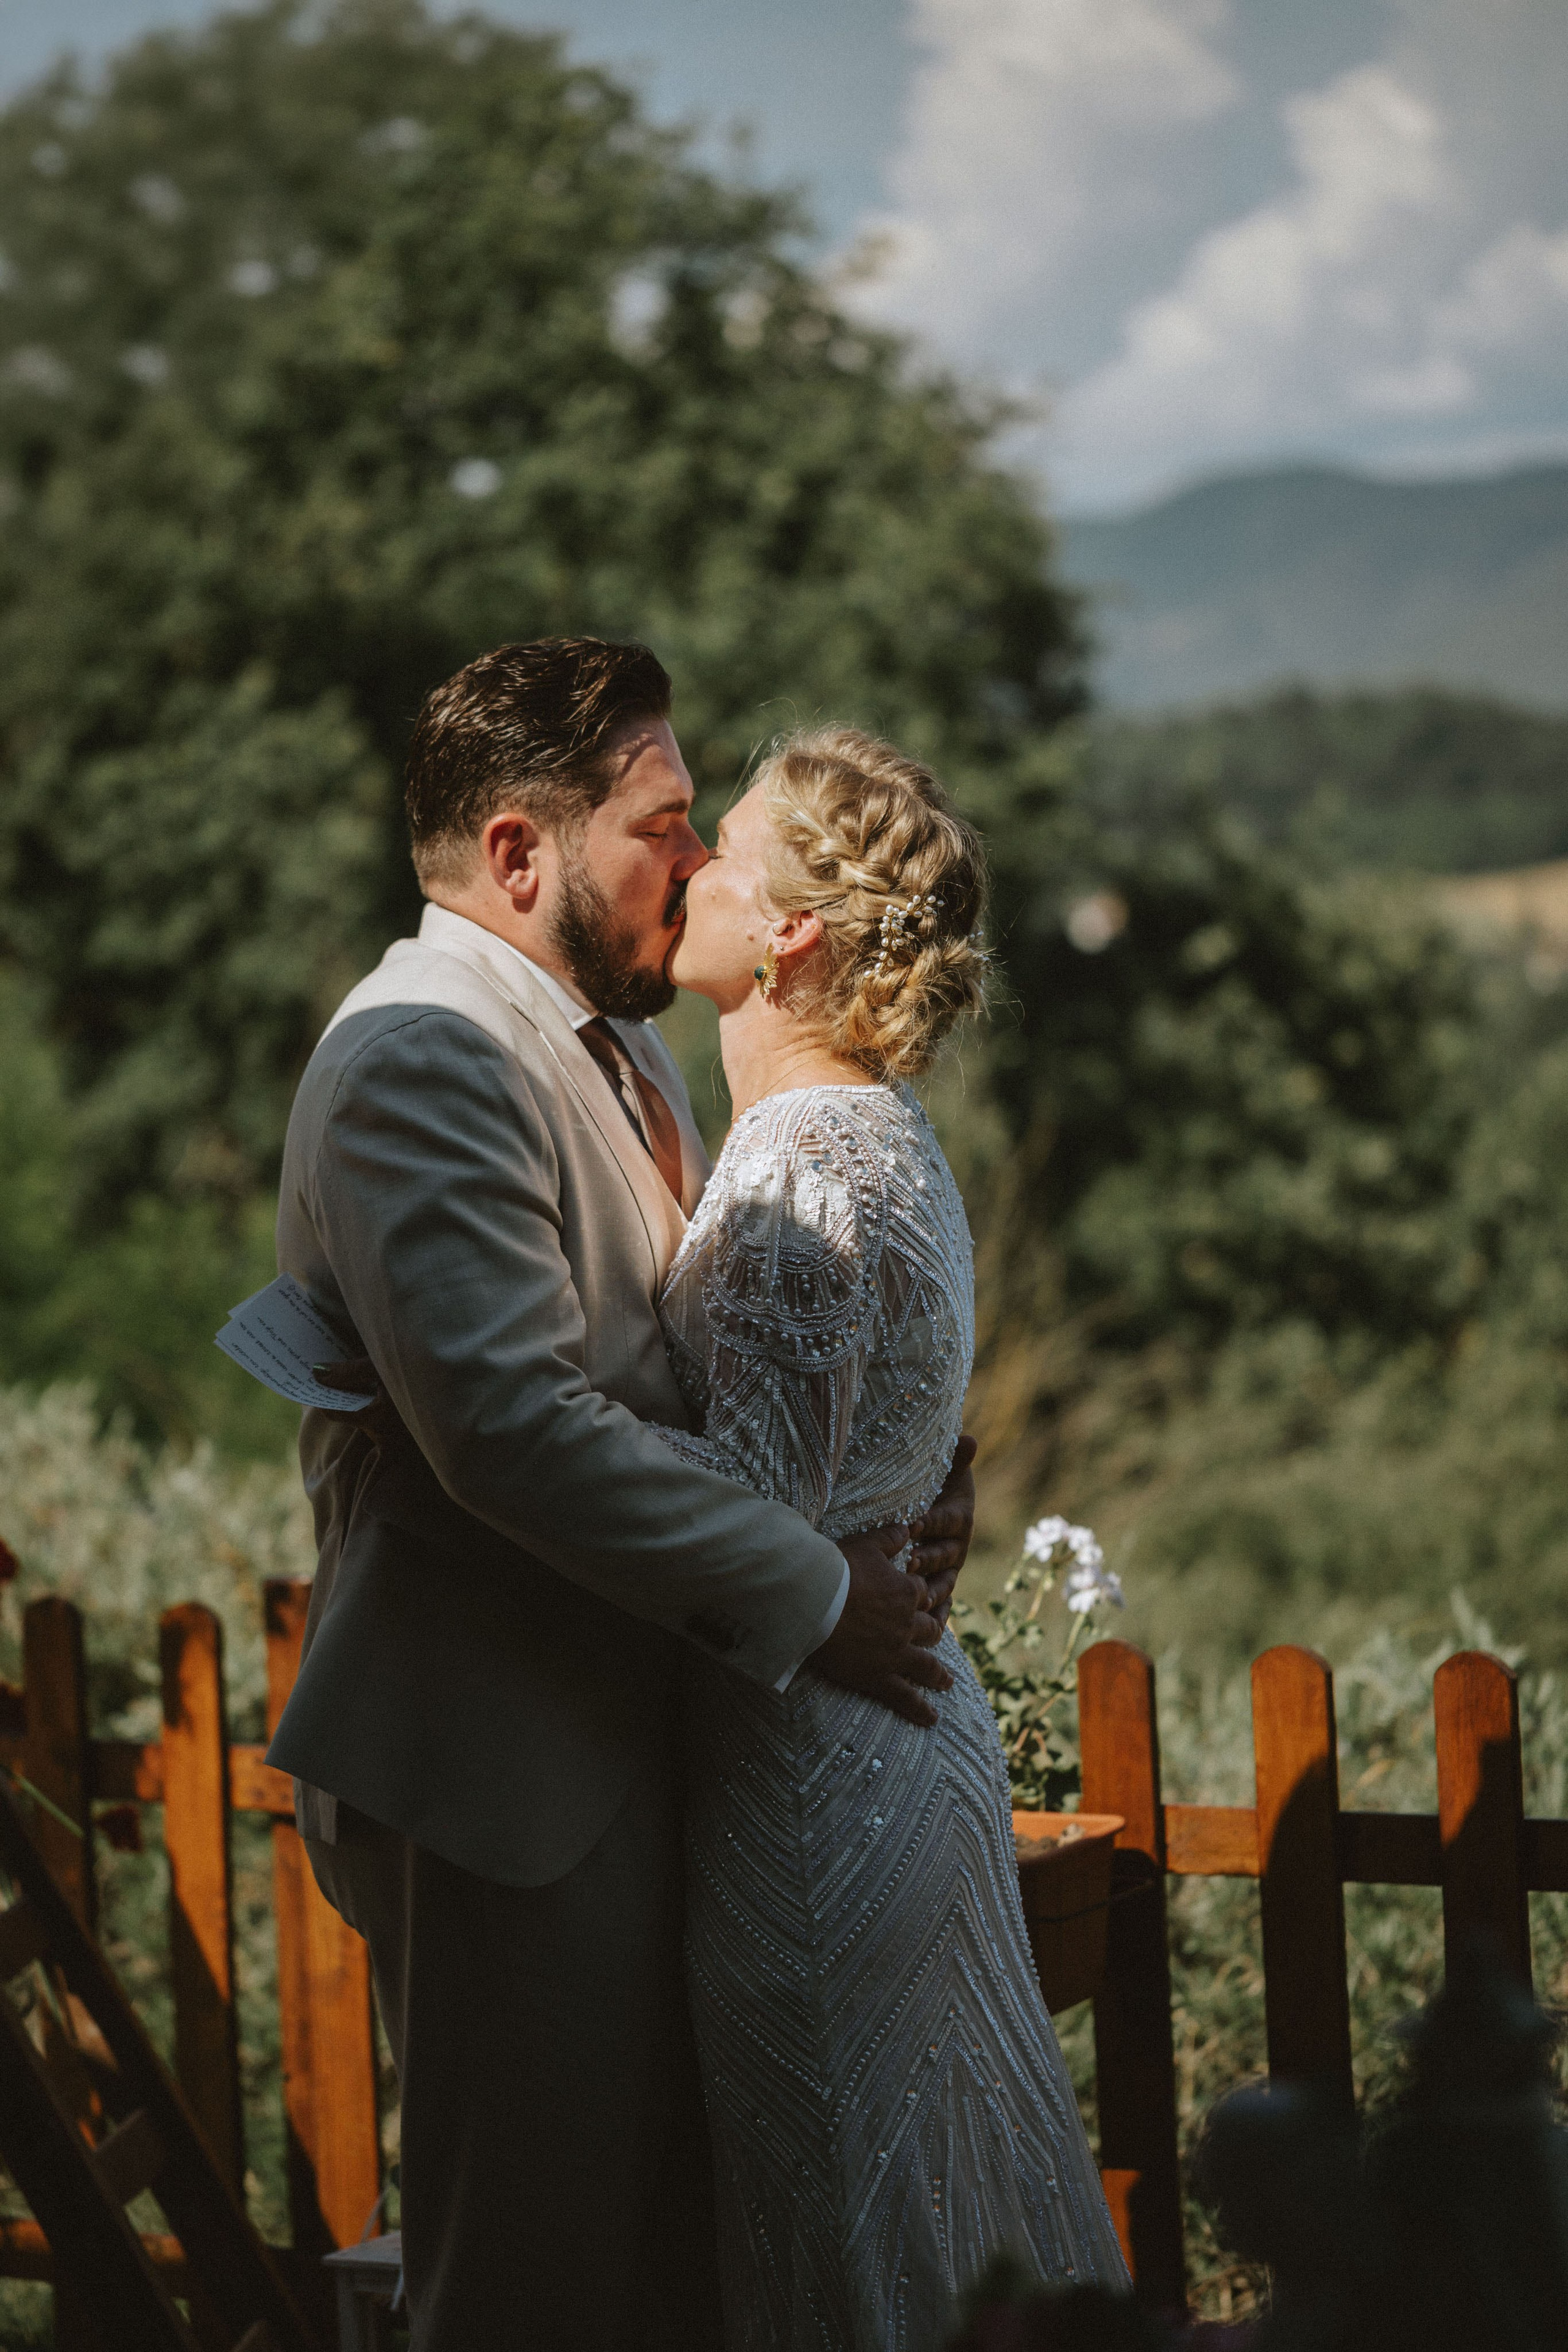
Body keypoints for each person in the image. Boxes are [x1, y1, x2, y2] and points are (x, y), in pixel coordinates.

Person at [263, 638, 977, 2351]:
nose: (699, 858)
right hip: (510, 1770)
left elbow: (717, 1361)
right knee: (531, 2287)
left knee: (659, 2281)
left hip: (644, 1745)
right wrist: (821, 1589)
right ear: (521, 853)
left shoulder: (619, 1042)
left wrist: (897, 1480)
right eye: (662, 825)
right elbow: (511, 1430)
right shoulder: (423, 1056)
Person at [651, 727, 1131, 2347]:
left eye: (719, 848)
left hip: (813, 1771)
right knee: (926, 2211)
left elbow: (747, 1525)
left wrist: (487, 1433)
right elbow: (887, 1444)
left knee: (844, 2236)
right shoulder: (882, 1130)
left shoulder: (801, 1161)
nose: (688, 866)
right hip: (903, 1739)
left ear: (787, 931)